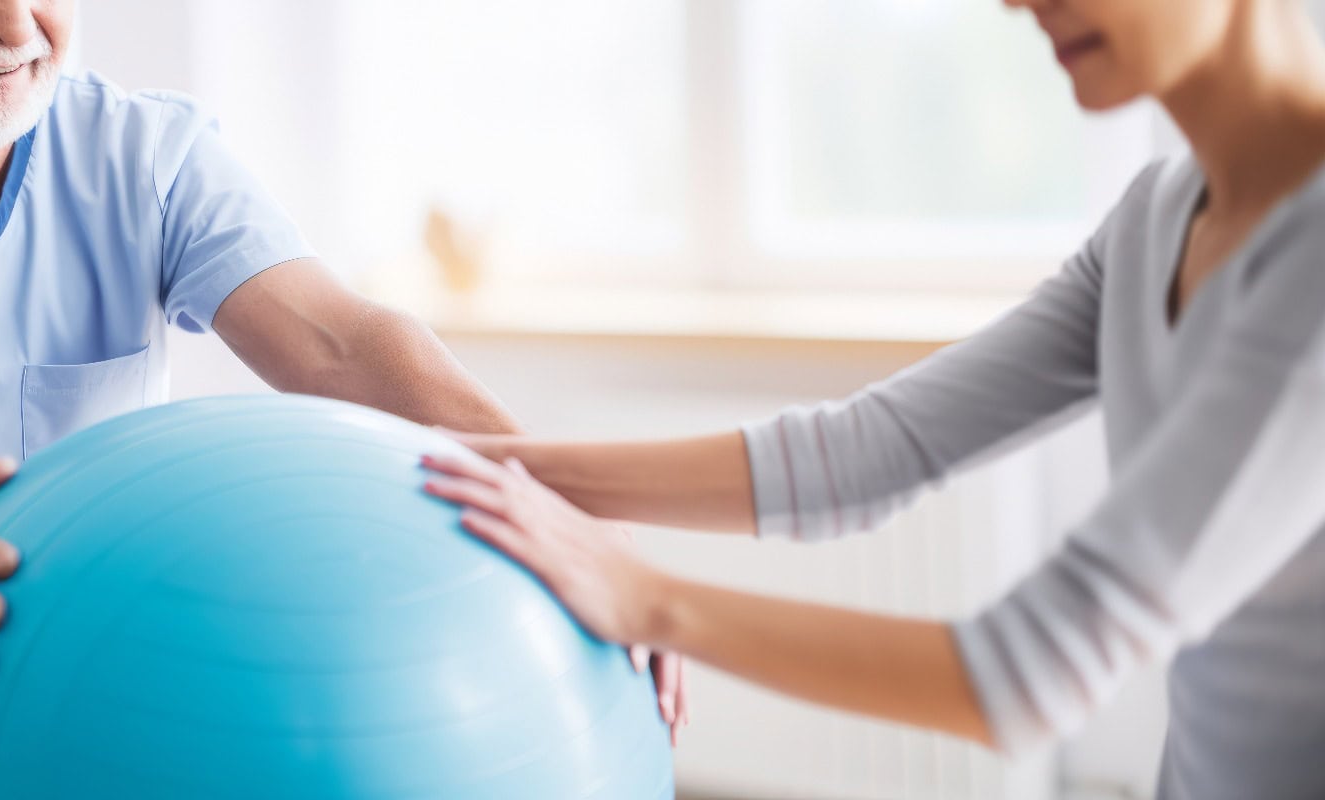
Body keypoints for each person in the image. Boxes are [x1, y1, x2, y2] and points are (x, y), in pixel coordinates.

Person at [0, 2, 694, 798]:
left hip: (20, 727)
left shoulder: (147, 151)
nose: (11, 21)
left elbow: (343, 342)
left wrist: (572, 507)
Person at [424, 0, 1325, 796]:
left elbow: (1031, 668)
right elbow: (856, 455)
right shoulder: (1156, 218)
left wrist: (644, 598)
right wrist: (490, 471)